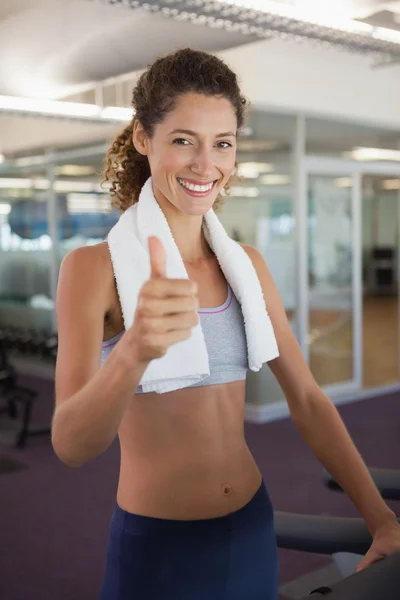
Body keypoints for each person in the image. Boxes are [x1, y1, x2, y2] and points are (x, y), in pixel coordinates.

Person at [51, 48, 400, 600]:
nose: (205, 164)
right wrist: (133, 352)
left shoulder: (247, 265)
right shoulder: (95, 271)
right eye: (184, 139)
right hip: (159, 547)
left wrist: (379, 516)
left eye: (223, 143)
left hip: (250, 528)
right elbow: (70, 444)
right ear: (144, 137)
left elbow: (306, 398)